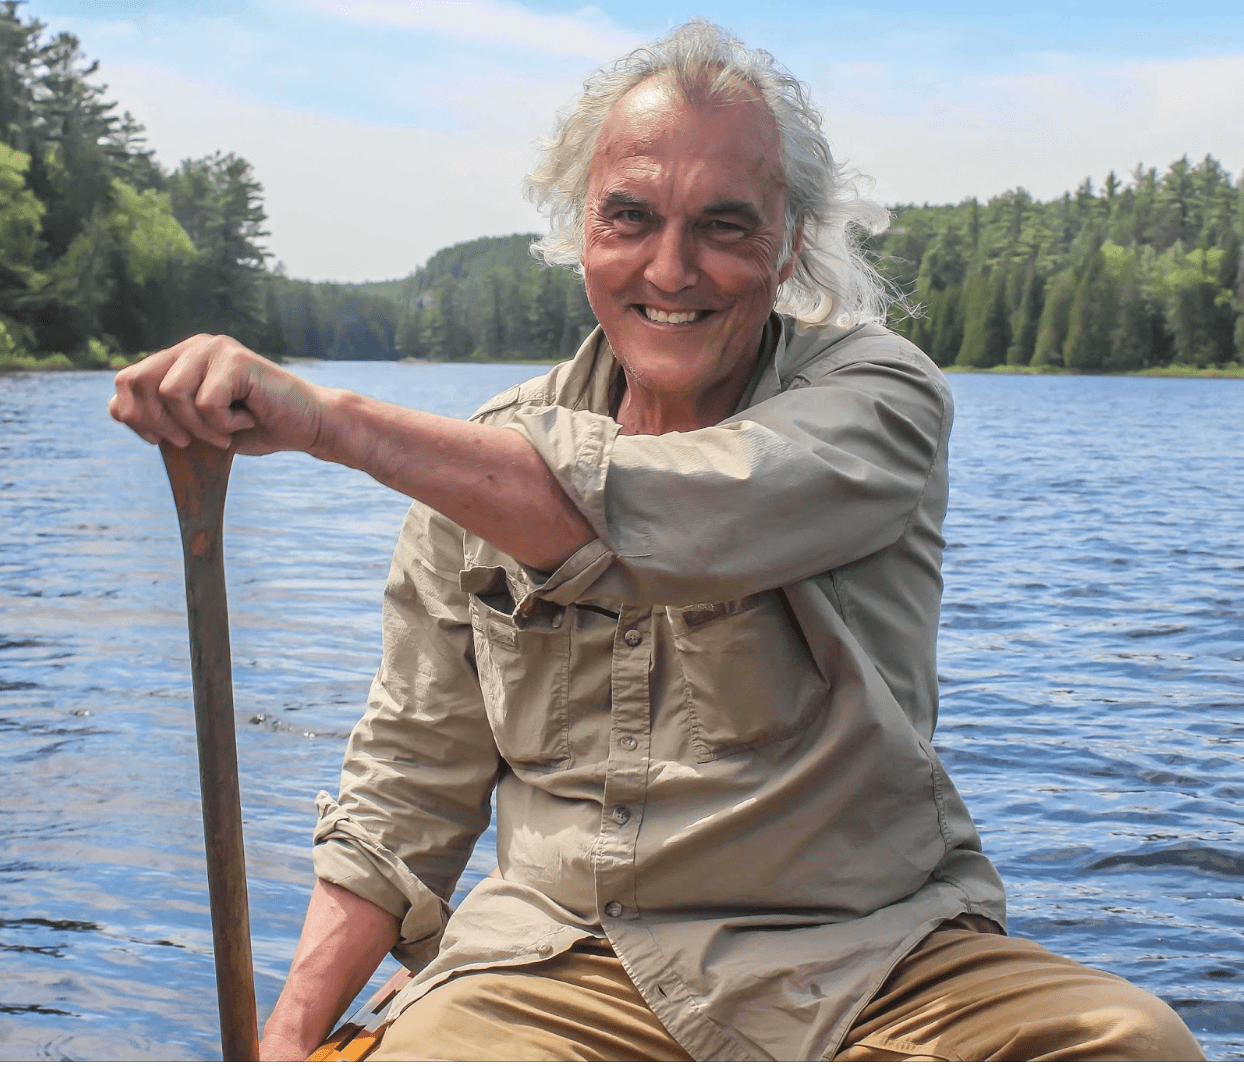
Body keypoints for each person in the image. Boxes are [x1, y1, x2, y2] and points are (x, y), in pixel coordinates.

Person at [111, 21, 1203, 1062]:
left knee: (1131, 1044)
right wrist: (292, 1033)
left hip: (872, 958)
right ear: (577, 231)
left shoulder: (878, 397)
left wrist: (326, 423)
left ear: (787, 246)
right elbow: (410, 782)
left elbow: (685, 508)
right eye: (628, 217)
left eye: (723, 224)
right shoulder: (476, 461)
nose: (669, 269)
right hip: (560, 964)